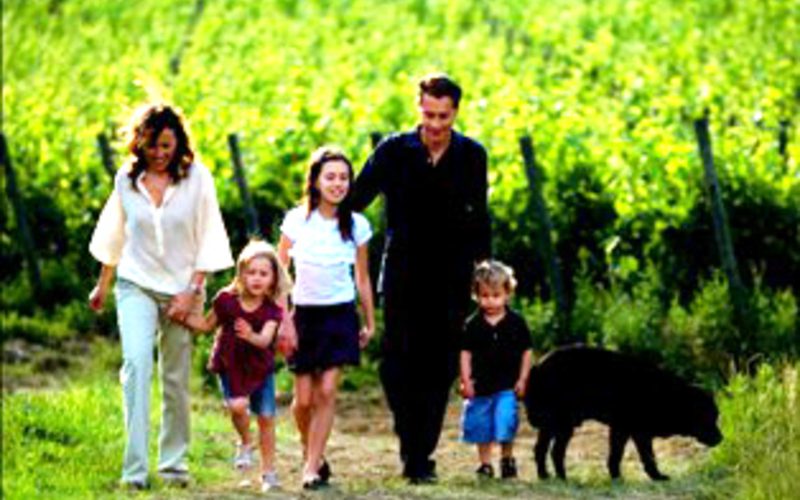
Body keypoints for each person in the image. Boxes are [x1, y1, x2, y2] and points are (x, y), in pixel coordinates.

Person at [351, 73, 491, 482]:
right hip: (401, 275)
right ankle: (412, 443)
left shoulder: (472, 155)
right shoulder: (393, 151)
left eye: (443, 117)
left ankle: (418, 456)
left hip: (452, 277)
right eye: (428, 115)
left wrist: (484, 271)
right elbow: (355, 200)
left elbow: (479, 217)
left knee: (440, 368)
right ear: (419, 109)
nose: (435, 125)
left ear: (456, 113)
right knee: (397, 365)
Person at [88, 103, 234, 489]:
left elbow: (209, 235)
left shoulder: (197, 177)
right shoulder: (126, 179)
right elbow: (115, 234)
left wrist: (192, 290)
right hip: (135, 283)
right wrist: (103, 284)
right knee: (136, 366)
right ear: (140, 142)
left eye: (166, 145)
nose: (159, 153)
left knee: (175, 377)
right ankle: (134, 472)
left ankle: (173, 465)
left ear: (178, 143)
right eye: (152, 145)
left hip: (183, 289)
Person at [277, 146, 376, 489]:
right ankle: (313, 454)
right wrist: (284, 321)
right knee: (303, 401)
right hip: (303, 316)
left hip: (340, 316)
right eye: (330, 177)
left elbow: (362, 278)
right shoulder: (296, 221)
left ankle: (310, 469)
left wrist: (370, 321)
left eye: (344, 178)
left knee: (327, 391)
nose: (338, 184)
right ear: (316, 181)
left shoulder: (358, 226)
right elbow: (279, 274)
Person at [180, 240, 290, 492]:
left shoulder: (272, 310)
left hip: (260, 368)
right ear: (241, 274)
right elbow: (206, 325)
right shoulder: (226, 301)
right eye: (251, 272)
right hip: (231, 364)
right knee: (237, 406)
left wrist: (251, 335)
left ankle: (269, 473)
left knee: (266, 418)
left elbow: (265, 341)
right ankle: (245, 441)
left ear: (273, 278)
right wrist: (182, 316)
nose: (257, 278)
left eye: (264, 273)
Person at [459, 260, 532, 479]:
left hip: (507, 386)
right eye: (484, 296)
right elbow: (465, 354)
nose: (490, 301)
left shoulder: (516, 322)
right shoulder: (472, 324)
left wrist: (523, 379)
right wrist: (466, 380)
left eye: (496, 295)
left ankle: (507, 459)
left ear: (507, 294)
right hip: (480, 386)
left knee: (505, 422)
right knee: (481, 426)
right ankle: (485, 464)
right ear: (476, 295)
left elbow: (526, 352)